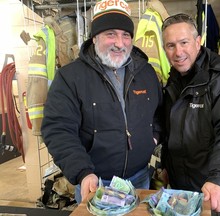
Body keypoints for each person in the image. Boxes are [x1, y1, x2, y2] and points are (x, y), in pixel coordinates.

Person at [41, 0, 163, 204]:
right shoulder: (70, 77)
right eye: (111, 34)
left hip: (140, 178)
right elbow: (58, 130)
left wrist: (153, 138)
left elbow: (159, 112)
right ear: (95, 37)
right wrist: (82, 172)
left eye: (126, 35)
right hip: (96, 183)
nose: (120, 42)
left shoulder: (146, 73)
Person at [160, 13, 220, 215]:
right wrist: (166, 165)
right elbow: (173, 131)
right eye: (171, 45)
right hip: (183, 186)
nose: (178, 52)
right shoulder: (174, 80)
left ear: (198, 41)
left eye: (184, 42)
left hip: (218, 188)